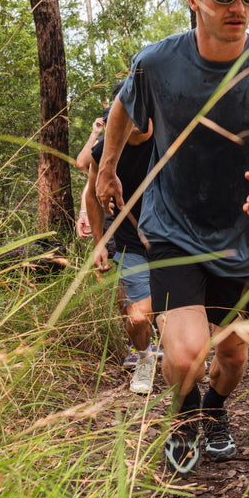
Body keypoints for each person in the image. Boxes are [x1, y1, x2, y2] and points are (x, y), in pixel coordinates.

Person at [96, 0, 249, 476]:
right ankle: (184, 416)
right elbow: (125, 106)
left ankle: (213, 410)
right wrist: (106, 169)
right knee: (186, 354)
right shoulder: (157, 63)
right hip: (171, 226)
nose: (237, 6)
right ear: (194, 0)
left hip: (242, 236)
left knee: (233, 357)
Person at [85, 120, 157, 394]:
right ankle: (144, 359)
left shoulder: (169, 137)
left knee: (170, 316)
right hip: (131, 243)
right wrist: (99, 242)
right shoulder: (106, 149)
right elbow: (93, 193)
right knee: (138, 318)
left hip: (174, 242)